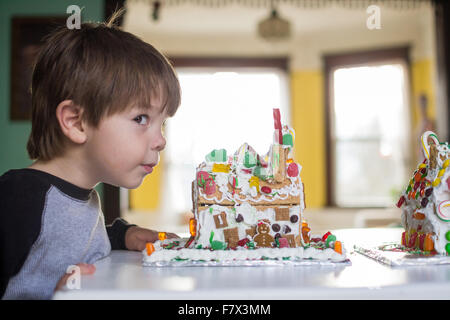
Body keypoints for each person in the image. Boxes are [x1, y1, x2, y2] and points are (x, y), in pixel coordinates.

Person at [0, 10, 180, 299]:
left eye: (163, 123)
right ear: (76, 122)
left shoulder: (80, 197)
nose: (160, 141)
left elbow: (67, 241)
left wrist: (122, 235)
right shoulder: (18, 199)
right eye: (141, 119)